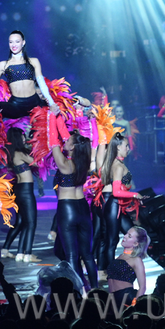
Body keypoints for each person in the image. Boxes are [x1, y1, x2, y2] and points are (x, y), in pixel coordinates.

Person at [0, 30, 61, 117]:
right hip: (16, 105)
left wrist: (52, 104)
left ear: (23, 43)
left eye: (17, 41)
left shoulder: (34, 61)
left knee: (58, 109)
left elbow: (42, 84)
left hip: (35, 102)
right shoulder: (3, 65)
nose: (14, 45)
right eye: (11, 42)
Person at [52, 123, 98, 290]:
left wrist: (52, 116)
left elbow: (52, 141)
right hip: (83, 208)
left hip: (68, 209)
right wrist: (93, 123)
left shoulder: (65, 164)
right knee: (87, 255)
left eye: (67, 140)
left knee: (71, 254)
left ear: (72, 147)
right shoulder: (85, 163)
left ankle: (78, 291)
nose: (64, 140)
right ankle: (95, 289)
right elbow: (95, 142)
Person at [1, 128, 40, 263]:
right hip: (25, 190)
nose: (24, 139)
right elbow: (38, 163)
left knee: (23, 222)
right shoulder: (20, 153)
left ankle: (20, 253)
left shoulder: (11, 153)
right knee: (31, 223)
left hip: (18, 189)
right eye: (22, 136)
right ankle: (27, 254)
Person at [103, 133, 142, 264]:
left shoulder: (118, 163)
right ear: (118, 147)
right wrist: (134, 195)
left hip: (119, 206)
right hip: (114, 206)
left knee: (135, 235)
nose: (128, 148)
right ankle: (111, 271)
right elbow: (116, 192)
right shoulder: (118, 166)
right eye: (126, 146)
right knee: (112, 241)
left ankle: (129, 265)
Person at [107, 226, 149, 304]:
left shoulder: (136, 260)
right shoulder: (120, 256)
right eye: (126, 234)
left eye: (129, 236)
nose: (125, 236)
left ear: (135, 243)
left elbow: (142, 287)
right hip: (112, 299)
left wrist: (135, 304)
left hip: (126, 299)